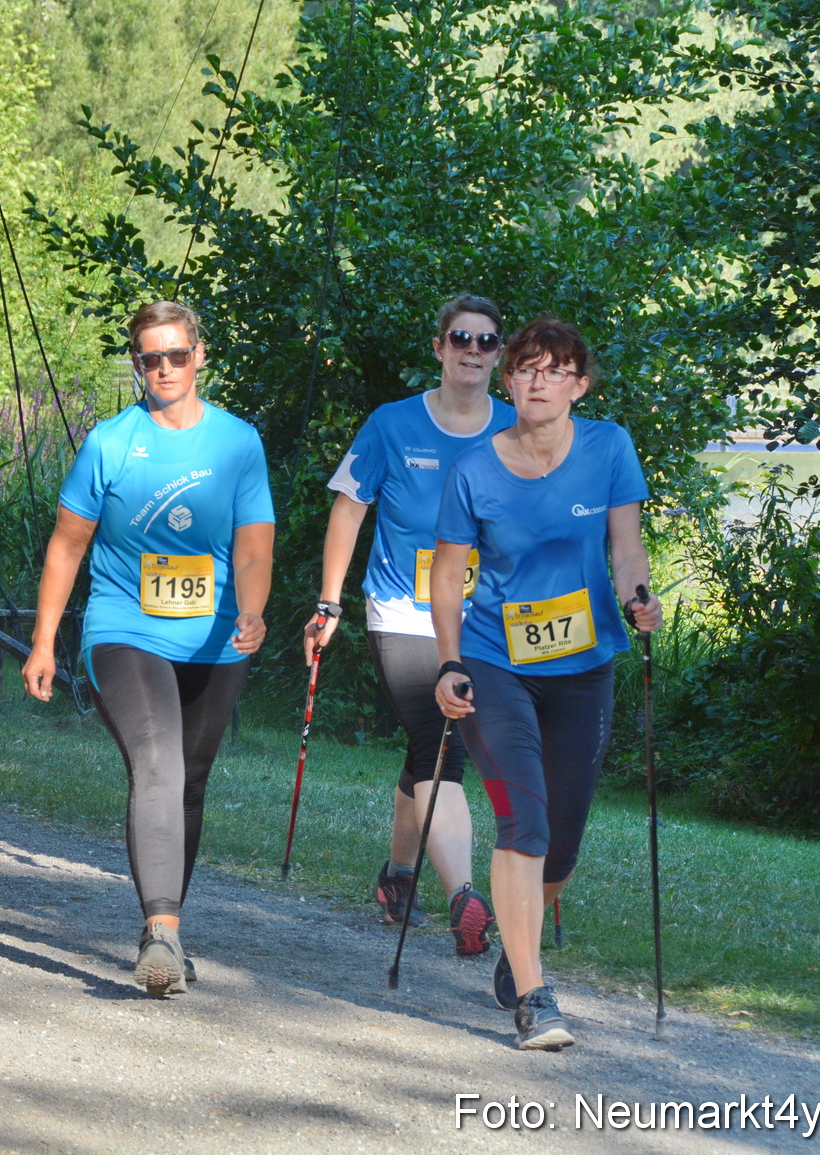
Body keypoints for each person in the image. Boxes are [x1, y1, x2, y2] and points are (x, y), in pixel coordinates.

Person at [23, 300, 274, 998]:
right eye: (150, 358)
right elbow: (67, 545)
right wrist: (44, 641)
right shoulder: (110, 442)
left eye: (177, 354)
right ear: (137, 364)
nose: (164, 368)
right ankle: (161, 930)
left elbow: (255, 546)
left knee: (189, 779)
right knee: (157, 762)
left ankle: (169, 930)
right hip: (125, 628)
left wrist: (253, 611)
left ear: (200, 356)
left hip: (216, 637)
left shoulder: (237, 442)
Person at [431, 316, 662, 1050]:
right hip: (495, 663)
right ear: (509, 381)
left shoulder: (608, 448)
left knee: (560, 844)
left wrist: (639, 597)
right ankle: (535, 995)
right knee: (524, 823)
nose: (538, 381)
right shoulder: (474, 469)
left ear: (578, 386)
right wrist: (449, 661)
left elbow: (627, 550)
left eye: (554, 370)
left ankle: (517, 938)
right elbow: (447, 576)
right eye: (526, 368)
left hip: (584, 666)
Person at [304, 295, 514, 955]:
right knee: (442, 739)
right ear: (439, 347)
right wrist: (329, 603)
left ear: (499, 354)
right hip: (402, 611)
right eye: (461, 338)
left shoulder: (517, 429)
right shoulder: (392, 424)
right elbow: (349, 509)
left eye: (486, 341)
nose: (473, 351)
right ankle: (464, 898)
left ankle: (398, 876)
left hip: (484, 622)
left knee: (428, 750)